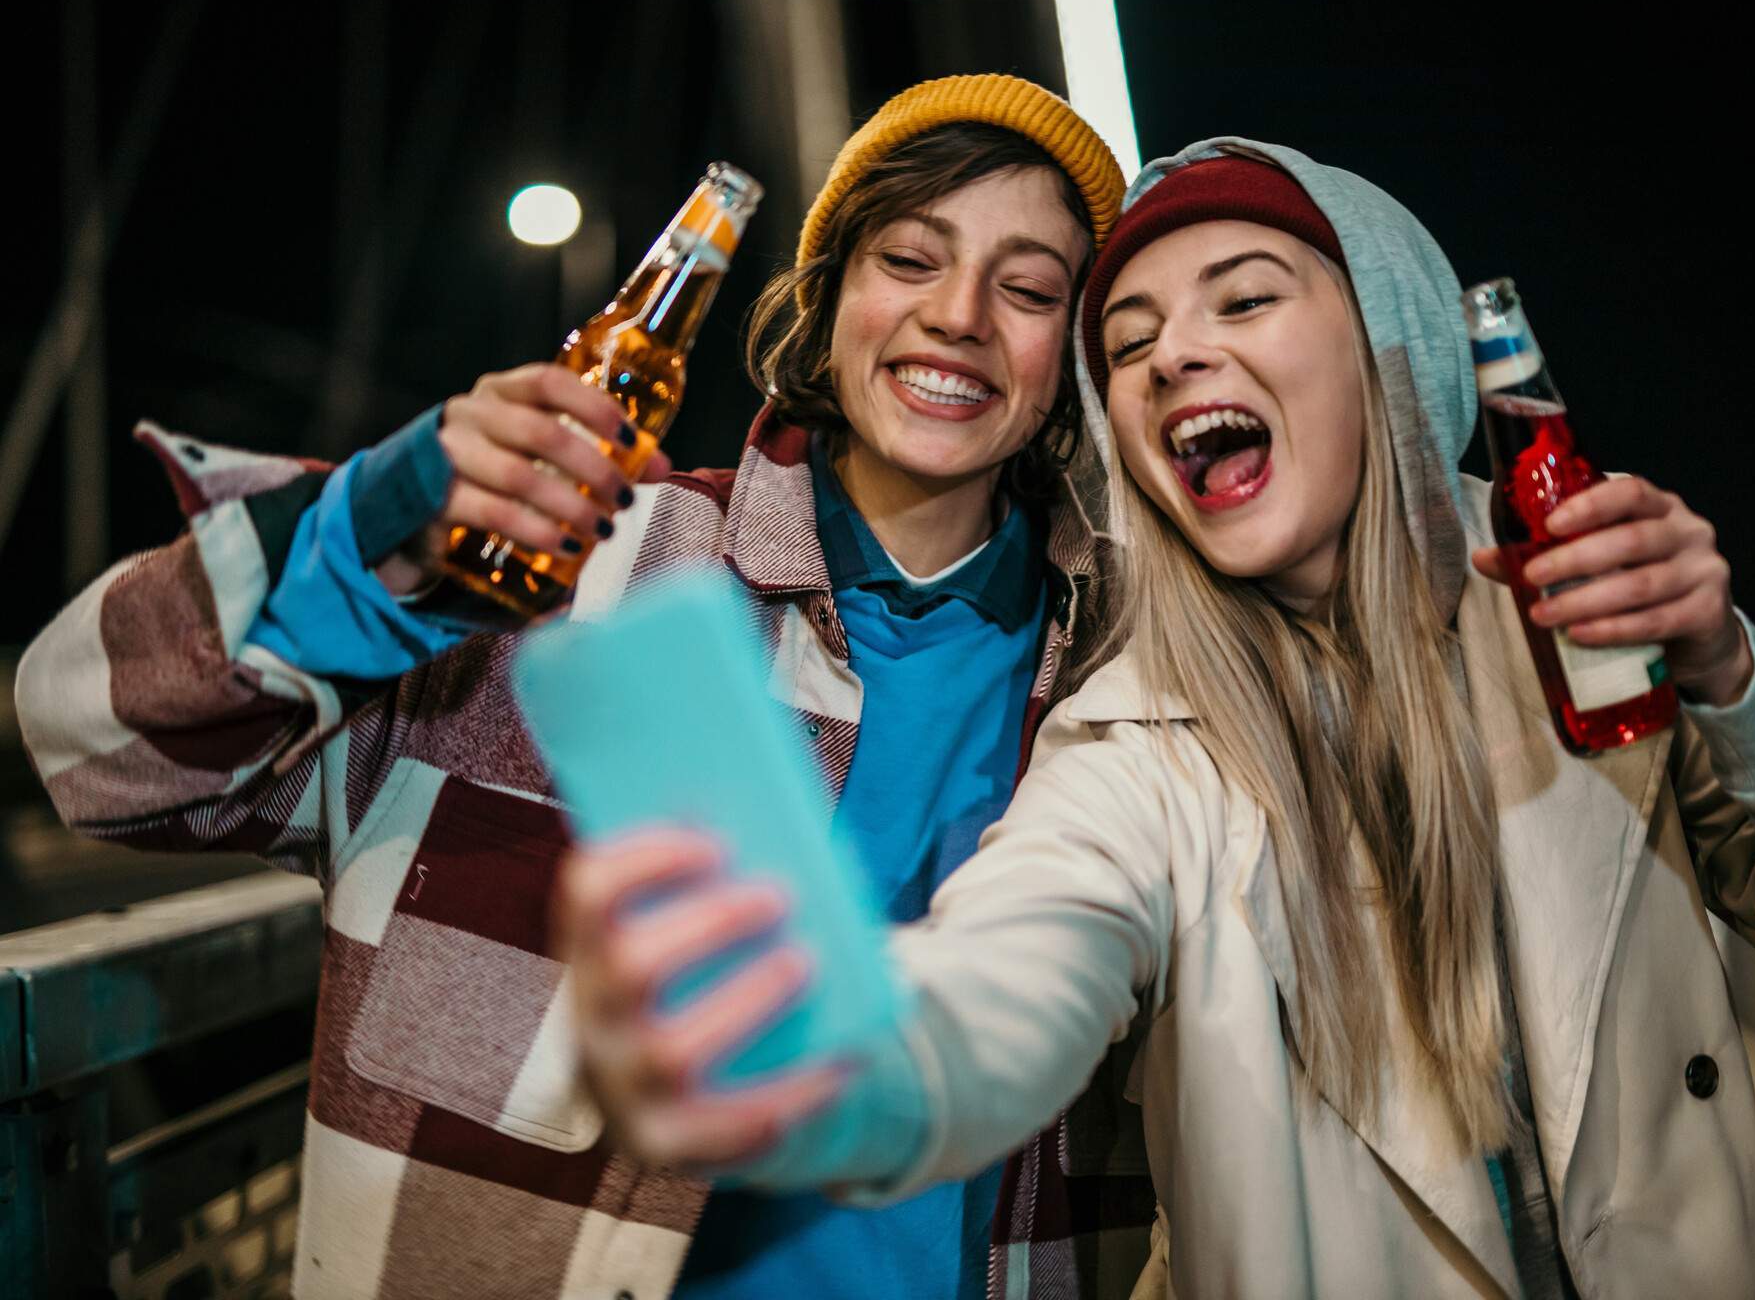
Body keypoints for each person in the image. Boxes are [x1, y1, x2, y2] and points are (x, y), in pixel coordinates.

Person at [554, 139, 1755, 1298]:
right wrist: (829, 1069)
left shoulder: (1595, 650)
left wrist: (1738, 677)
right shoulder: (1133, 745)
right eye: (1129, 343)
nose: (1172, 358)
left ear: (1390, 342)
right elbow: (1013, 975)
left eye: (1244, 300)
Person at [15, 76, 1157, 1298]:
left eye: (1031, 289)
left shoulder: (1128, 670)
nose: (961, 316)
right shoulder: (570, 562)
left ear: (1071, 364)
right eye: (908, 259)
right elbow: (90, 743)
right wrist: (384, 523)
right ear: (827, 303)